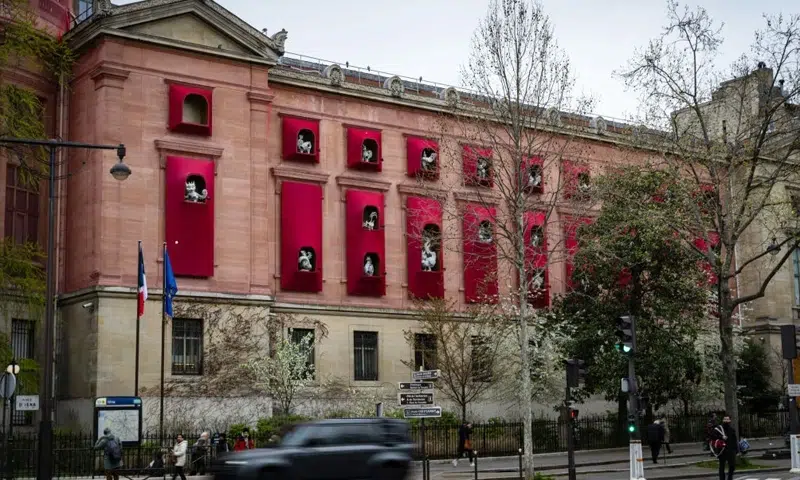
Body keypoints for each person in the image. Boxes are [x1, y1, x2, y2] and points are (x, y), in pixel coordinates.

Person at [711, 414, 738, 480]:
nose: (726, 420)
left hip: (731, 450)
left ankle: (730, 478)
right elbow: (713, 437)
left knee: (732, 466)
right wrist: (721, 437)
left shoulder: (732, 430)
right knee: (722, 466)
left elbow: (734, 440)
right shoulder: (718, 429)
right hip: (722, 450)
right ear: (723, 420)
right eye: (725, 419)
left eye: (727, 419)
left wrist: (736, 449)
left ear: (730, 420)